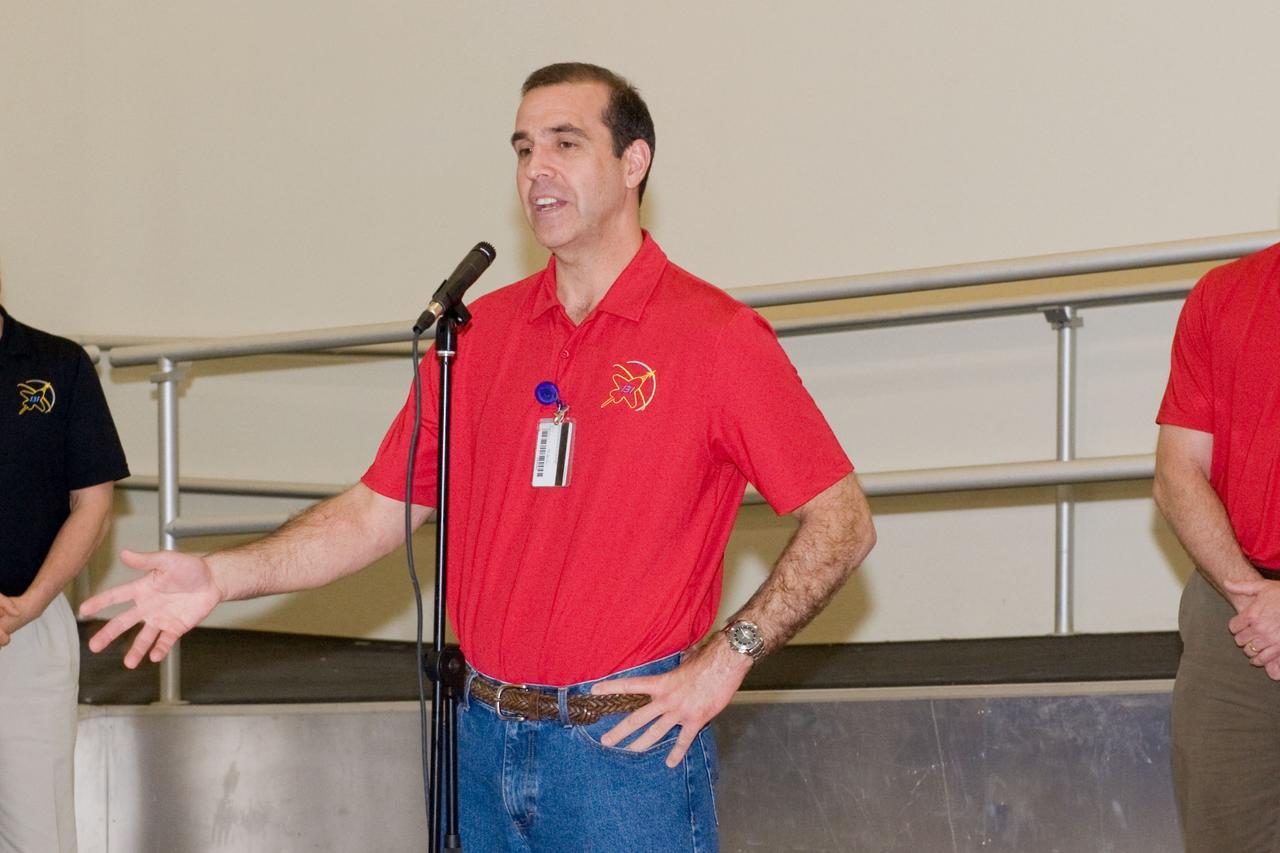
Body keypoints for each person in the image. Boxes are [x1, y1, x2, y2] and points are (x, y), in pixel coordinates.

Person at [81, 62, 875, 852]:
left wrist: (726, 657)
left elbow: (842, 520)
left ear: (634, 163)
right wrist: (221, 576)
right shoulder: (478, 336)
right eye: (524, 149)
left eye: (566, 142)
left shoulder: (714, 336)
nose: (537, 170)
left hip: (624, 754)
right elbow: (371, 513)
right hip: (483, 741)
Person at [1153, 241, 1280, 852]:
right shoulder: (1223, 294)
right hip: (1234, 610)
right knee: (1228, 833)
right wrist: (1251, 596)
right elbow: (1178, 475)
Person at [0, 300, 130, 853]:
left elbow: (94, 505)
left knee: (37, 834)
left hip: (27, 629)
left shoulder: (58, 363)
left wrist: (27, 604)